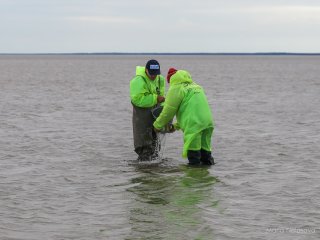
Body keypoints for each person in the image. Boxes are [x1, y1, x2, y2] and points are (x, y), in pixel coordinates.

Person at [153, 68, 215, 165]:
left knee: (194, 154)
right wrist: (176, 126)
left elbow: (168, 111)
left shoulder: (176, 88)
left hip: (194, 124)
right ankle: (206, 177)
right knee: (205, 154)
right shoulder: (196, 86)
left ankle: (193, 177)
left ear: (171, 79)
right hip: (207, 122)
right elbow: (191, 111)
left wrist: (157, 125)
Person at [130, 59, 166, 161]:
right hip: (141, 114)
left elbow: (162, 97)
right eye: (151, 74)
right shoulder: (137, 81)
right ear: (146, 70)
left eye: (156, 73)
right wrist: (155, 99)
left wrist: (163, 114)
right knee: (143, 141)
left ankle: (154, 164)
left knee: (155, 140)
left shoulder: (160, 79)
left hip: (155, 111)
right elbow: (137, 99)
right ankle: (144, 165)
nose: (153, 76)